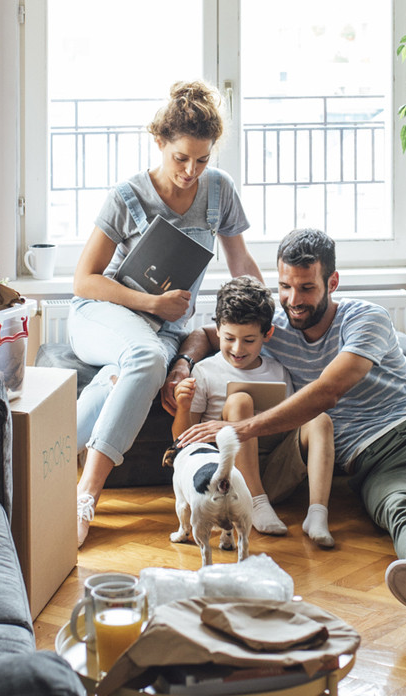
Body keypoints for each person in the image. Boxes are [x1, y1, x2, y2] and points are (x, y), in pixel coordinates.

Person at [177, 229, 406, 618]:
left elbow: (329, 391)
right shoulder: (274, 327)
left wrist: (239, 430)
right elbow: (208, 334)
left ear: (332, 282)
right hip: (377, 462)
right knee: (403, 509)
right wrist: (182, 366)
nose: (294, 300)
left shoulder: (366, 317)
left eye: (307, 288)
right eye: (284, 286)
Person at [72, 80, 264, 547]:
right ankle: (86, 494)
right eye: (181, 158)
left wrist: (267, 312)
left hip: (161, 330)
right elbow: (84, 280)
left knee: (128, 373)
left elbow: (241, 265)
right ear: (159, 143)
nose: (191, 170)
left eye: (202, 160)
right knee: (144, 358)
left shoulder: (219, 192)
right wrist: (152, 303)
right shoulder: (127, 195)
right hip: (102, 312)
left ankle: (28, 463)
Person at [170, 277, 337, 546]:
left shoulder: (277, 370)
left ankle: (317, 513)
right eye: (229, 338)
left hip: (275, 470)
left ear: (266, 335)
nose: (237, 349)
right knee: (240, 402)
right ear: (218, 330)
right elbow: (182, 440)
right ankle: (257, 504)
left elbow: (293, 421)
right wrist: (184, 406)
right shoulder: (204, 371)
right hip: (226, 480)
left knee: (319, 418)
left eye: (248, 340)